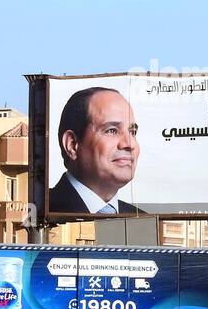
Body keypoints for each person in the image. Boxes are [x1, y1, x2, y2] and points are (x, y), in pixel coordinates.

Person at [48, 87, 143, 215]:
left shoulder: (144, 221)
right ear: (72, 144)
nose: (129, 144)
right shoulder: (37, 212)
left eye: (133, 132)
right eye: (112, 130)